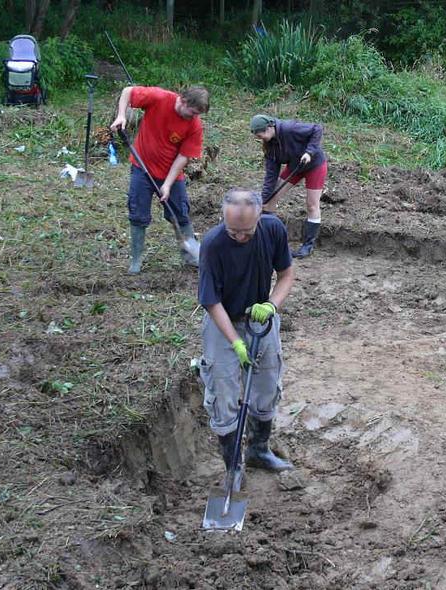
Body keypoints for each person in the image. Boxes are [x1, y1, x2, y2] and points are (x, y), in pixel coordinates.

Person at [197, 189, 295, 489]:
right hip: (222, 320)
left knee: (266, 386)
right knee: (223, 393)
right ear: (222, 220)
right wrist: (235, 343)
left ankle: (258, 451)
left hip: (260, 320)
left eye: (247, 232)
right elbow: (211, 302)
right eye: (233, 231)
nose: (240, 237)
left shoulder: (273, 229)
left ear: (259, 219)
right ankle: (233, 468)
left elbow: (287, 274)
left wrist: (272, 305)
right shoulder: (213, 244)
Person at [110, 85, 208, 273]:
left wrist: (168, 184)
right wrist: (121, 115)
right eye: (192, 112)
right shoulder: (159, 98)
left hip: (170, 173)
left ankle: (191, 256)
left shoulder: (195, 125)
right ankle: (136, 260)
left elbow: (184, 156)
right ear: (183, 101)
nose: (194, 117)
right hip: (142, 168)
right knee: (138, 214)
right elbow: (127, 91)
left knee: (180, 213)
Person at [250, 114, 328, 258]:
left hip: (314, 165)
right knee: (269, 202)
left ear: (270, 127)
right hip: (295, 167)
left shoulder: (290, 128)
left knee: (312, 205)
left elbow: (317, 129)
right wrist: (264, 199)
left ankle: (308, 245)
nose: (261, 139)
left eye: (261, 136)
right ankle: (270, 240)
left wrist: (309, 152)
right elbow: (270, 177)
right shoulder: (270, 148)